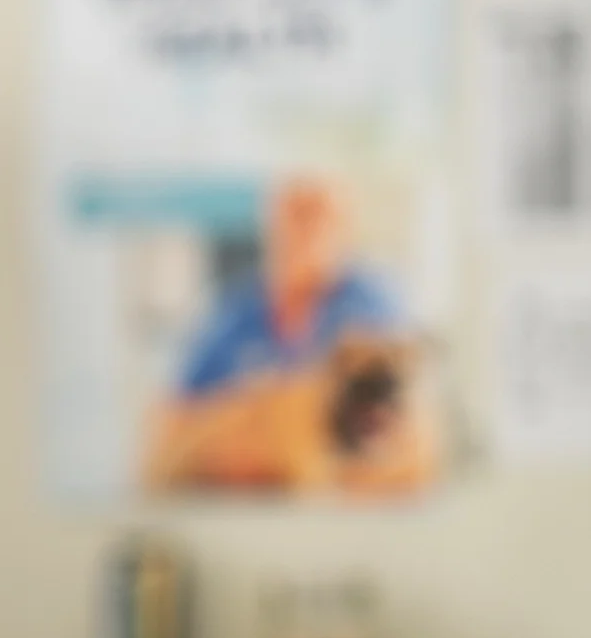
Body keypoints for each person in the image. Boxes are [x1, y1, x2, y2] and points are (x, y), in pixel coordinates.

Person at [143, 176, 433, 494]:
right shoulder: (235, 312)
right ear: (270, 227)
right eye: (294, 215)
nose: (305, 229)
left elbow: (404, 429)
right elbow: (169, 429)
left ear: (345, 228)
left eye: (318, 215)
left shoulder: (372, 304)